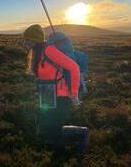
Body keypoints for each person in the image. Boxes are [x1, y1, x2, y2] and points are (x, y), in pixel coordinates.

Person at [23, 24, 89, 152]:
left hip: (60, 95)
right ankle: (56, 148)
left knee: (53, 129)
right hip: (47, 93)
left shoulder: (49, 50)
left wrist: (74, 94)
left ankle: (82, 134)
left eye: (27, 40)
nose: (24, 43)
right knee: (45, 128)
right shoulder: (37, 53)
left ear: (34, 40)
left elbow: (74, 68)